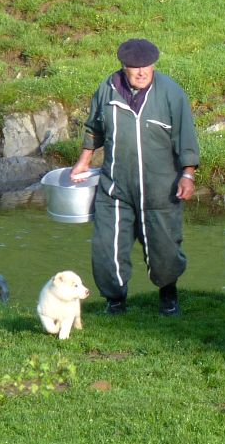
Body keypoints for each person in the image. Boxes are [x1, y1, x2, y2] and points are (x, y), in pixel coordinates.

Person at [69, 39, 200, 316]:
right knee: (106, 249)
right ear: (123, 66)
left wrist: (187, 174)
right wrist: (84, 161)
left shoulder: (171, 93)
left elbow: (186, 137)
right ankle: (115, 302)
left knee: (165, 250)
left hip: (161, 190)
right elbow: (94, 128)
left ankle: (168, 297)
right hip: (115, 188)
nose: (141, 72)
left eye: (147, 66)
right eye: (134, 67)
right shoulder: (107, 90)